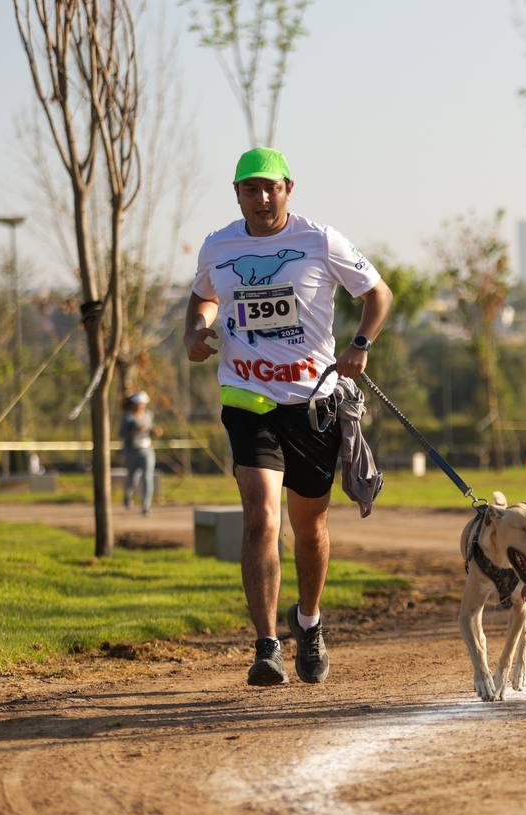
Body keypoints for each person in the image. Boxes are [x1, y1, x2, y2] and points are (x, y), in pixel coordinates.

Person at [184, 147, 393, 688]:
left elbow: (377, 293)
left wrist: (360, 344)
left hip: (313, 403)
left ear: (288, 188)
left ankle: (310, 622)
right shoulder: (218, 244)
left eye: (270, 187)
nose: (261, 198)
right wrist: (196, 331)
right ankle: (266, 645)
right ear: (237, 195)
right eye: (250, 189)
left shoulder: (320, 240)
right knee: (260, 517)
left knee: (311, 529)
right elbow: (202, 297)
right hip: (248, 400)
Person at [120, 391, 160, 515]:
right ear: (133, 404)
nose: (140, 406)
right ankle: (128, 496)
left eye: (142, 404)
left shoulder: (148, 415)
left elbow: (150, 427)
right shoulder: (128, 417)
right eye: (138, 404)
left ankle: (146, 507)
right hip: (132, 451)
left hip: (147, 450)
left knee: (147, 477)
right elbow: (122, 435)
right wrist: (134, 431)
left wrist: (155, 431)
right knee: (132, 478)